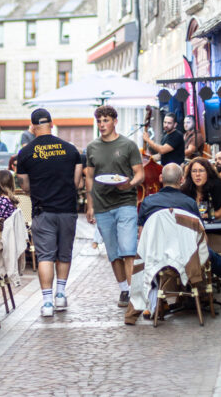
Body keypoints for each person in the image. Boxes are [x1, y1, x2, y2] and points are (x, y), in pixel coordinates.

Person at [17, 108, 83, 317]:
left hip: (42, 210)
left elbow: (24, 185)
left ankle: (47, 303)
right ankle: (61, 295)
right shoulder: (71, 150)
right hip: (67, 209)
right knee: (64, 254)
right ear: (52, 125)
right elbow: (76, 182)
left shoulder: (25, 153)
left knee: (45, 256)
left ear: (33, 126)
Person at [85, 104, 144, 309]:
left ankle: (135, 296)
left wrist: (129, 183)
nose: (102, 124)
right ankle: (125, 290)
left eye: (106, 120)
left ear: (115, 121)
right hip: (102, 205)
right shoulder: (92, 147)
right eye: (99, 121)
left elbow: (140, 173)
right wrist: (90, 204)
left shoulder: (128, 145)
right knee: (114, 253)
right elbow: (89, 177)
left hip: (125, 201)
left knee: (128, 250)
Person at [136, 163, 221, 283]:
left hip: (156, 256)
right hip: (185, 256)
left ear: (161, 178)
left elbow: (141, 235)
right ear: (181, 180)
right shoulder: (189, 203)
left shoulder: (147, 202)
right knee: (210, 255)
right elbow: (202, 236)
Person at [179, 157, 221, 222]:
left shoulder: (218, 186)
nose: (197, 174)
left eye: (201, 171)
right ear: (190, 174)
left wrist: (205, 215)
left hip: (217, 228)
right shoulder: (185, 189)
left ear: (208, 172)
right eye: (194, 171)